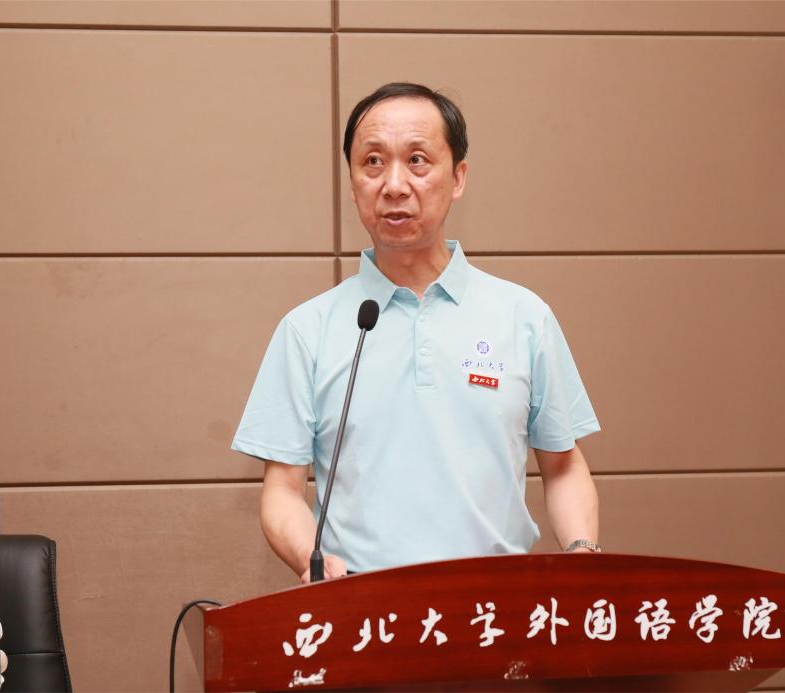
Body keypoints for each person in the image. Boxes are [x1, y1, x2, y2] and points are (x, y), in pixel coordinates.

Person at [232, 83, 600, 583]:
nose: (394, 185)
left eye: (418, 161)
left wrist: (582, 552)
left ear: (458, 177)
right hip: (363, 607)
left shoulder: (524, 317)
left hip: (497, 608)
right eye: (373, 162)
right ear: (352, 182)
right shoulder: (306, 330)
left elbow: (563, 466)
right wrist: (310, 559)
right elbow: (282, 490)